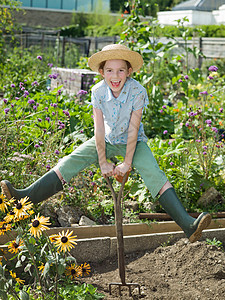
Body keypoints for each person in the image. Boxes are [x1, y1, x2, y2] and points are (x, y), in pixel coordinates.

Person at [1, 44, 211, 243]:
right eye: (109, 70)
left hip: (134, 142)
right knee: (69, 161)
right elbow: (99, 129)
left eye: (121, 70)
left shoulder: (138, 91)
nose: (115, 76)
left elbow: (133, 129)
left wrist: (126, 164)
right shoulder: (98, 92)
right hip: (107, 139)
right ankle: (24, 199)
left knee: (154, 174)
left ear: (129, 71)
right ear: (102, 72)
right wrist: (102, 161)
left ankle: (189, 226)